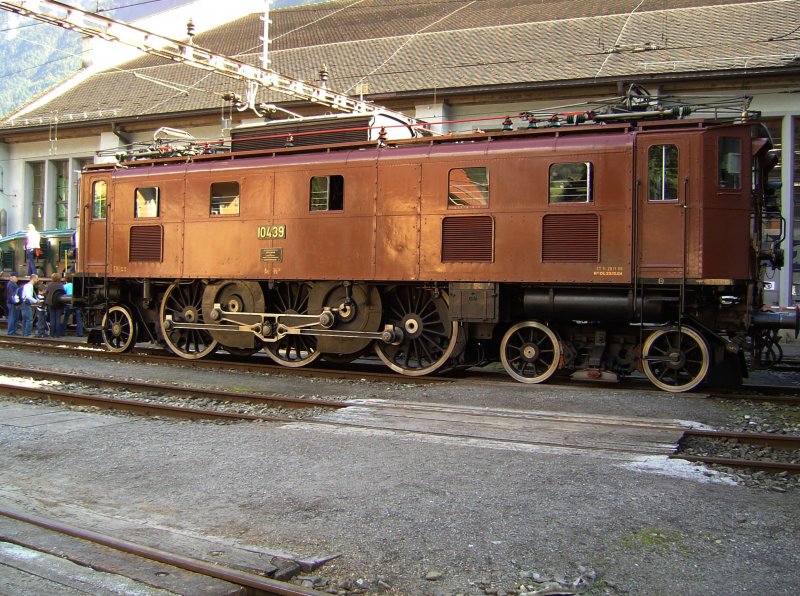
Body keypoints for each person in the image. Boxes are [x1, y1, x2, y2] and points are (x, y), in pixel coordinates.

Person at [44, 273, 65, 338]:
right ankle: (58, 334)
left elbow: (46, 293)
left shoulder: (49, 285)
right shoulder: (61, 285)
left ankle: (52, 334)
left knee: (52, 319)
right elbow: (63, 293)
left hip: (51, 303)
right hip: (59, 303)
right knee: (58, 319)